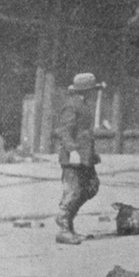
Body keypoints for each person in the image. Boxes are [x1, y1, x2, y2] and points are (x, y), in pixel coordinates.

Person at [54, 73, 105, 244]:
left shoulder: (84, 105)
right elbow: (65, 131)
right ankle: (63, 228)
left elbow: (85, 134)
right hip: (73, 158)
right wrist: (73, 151)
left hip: (85, 157)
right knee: (73, 191)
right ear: (87, 90)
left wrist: (92, 154)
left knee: (91, 187)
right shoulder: (72, 106)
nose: (94, 93)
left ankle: (69, 225)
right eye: (93, 89)